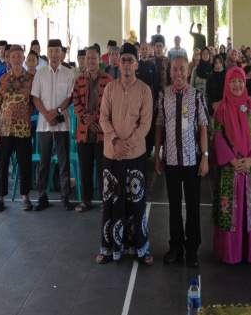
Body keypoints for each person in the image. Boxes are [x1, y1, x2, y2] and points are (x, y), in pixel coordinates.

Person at [97, 43, 154, 265]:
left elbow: (146, 124)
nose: (127, 64)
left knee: (136, 202)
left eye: (131, 60)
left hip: (135, 154)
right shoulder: (110, 89)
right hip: (111, 154)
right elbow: (103, 118)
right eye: (124, 60)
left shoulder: (144, 90)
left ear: (137, 64)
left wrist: (126, 144)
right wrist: (114, 141)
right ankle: (110, 247)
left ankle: (140, 248)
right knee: (111, 202)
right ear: (118, 64)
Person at [154, 56, 210, 268]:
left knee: (193, 206)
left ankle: (192, 249)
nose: (178, 73)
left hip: (192, 161)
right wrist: (158, 154)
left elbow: (204, 127)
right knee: (174, 206)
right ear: (170, 73)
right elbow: (159, 125)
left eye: (182, 69)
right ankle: (175, 246)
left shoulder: (197, 97)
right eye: (174, 69)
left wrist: (205, 157)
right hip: (171, 161)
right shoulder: (163, 96)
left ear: (188, 71)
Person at [211, 67, 251, 265]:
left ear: (245, 84)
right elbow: (217, 137)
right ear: (227, 84)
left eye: (240, 82)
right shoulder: (221, 108)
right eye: (233, 82)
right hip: (230, 169)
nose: (237, 85)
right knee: (231, 211)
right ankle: (231, 252)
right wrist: (233, 160)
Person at [0, 44, 34, 213]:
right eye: (12, 57)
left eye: (19, 57)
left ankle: (26, 197)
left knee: (25, 164)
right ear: (8, 59)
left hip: (23, 129)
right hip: (5, 129)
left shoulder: (30, 79)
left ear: (23, 59)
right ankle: (0, 198)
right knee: (2, 164)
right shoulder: (3, 80)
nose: (15, 60)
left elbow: (33, 103)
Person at [31, 38, 75, 211]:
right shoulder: (40, 74)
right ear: (47, 53)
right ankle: (42, 197)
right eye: (51, 51)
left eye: (57, 51)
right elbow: (35, 97)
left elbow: (70, 97)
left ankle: (65, 197)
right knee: (44, 163)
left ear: (62, 54)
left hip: (62, 125)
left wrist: (56, 112)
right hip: (44, 126)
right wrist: (47, 114)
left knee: (64, 162)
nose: (54, 54)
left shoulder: (68, 73)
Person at [72, 47, 111, 213]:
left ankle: (105, 201)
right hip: (84, 132)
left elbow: (109, 104)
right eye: (87, 58)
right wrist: (87, 120)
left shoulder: (108, 79)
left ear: (99, 60)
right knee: (84, 168)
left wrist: (94, 117)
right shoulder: (79, 80)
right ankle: (86, 200)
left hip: (102, 131)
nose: (90, 62)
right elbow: (75, 102)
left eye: (93, 58)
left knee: (103, 169)